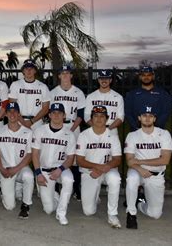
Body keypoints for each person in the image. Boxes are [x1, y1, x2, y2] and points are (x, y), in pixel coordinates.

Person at [125, 106, 172, 229]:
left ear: (155, 119)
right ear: (139, 118)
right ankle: (131, 214)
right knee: (131, 179)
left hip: (155, 175)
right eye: (144, 115)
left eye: (150, 116)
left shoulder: (164, 134)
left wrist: (140, 161)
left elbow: (165, 160)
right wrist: (140, 168)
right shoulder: (132, 135)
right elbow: (129, 161)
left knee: (155, 214)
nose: (147, 118)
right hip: (137, 171)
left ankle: (140, 202)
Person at [76, 105, 122, 228]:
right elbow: (79, 160)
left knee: (115, 179)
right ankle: (94, 196)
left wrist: (103, 169)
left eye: (102, 116)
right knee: (88, 212)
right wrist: (98, 167)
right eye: (95, 116)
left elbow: (117, 159)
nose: (99, 119)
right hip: (89, 172)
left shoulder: (112, 135)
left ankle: (112, 214)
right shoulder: (84, 135)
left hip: (107, 170)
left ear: (107, 119)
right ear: (91, 119)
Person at [32, 103, 75, 226]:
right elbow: (35, 154)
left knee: (69, 179)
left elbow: (70, 158)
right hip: (44, 171)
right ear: (49, 115)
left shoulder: (69, 134)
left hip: (61, 169)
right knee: (48, 209)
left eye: (59, 113)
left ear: (64, 116)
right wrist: (38, 173)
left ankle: (62, 212)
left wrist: (60, 169)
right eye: (54, 113)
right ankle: (55, 196)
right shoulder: (40, 131)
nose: (56, 115)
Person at [50, 65, 86, 201]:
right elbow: (50, 113)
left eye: (67, 73)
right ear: (59, 76)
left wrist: (70, 130)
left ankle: (76, 188)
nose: (65, 75)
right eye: (62, 73)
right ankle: (55, 187)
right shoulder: (53, 93)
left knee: (74, 159)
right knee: (55, 155)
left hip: (73, 125)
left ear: (71, 76)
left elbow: (81, 114)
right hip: (56, 126)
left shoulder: (78, 92)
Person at [0, 102, 34, 219]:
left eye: (15, 111)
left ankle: (26, 205)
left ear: (19, 114)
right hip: (5, 169)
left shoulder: (28, 132)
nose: (12, 114)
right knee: (10, 206)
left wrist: (16, 169)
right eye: (9, 111)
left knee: (28, 176)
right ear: (5, 114)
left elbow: (29, 155)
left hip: (21, 167)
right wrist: (1, 169)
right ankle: (3, 188)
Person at [9, 59, 50, 129]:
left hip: (37, 122)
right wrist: (23, 121)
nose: (29, 71)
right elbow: (12, 105)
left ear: (35, 71)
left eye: (31, 69)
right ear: (23, 71)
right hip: (19, 121)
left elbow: (45, 108)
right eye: (26, 68)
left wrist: (31, 121)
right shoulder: (15, 85)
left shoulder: (43, 86)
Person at [84, 69, 124, 136]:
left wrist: (108, 129)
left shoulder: (118, 97)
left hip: (111, 130)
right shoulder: (91, 97)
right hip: (94, 130)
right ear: (98, 80)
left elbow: (120, 117)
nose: (104, 81)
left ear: (110, 80)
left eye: (106, 78)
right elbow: (86, 116)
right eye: (101, 78)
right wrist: (96, 128)